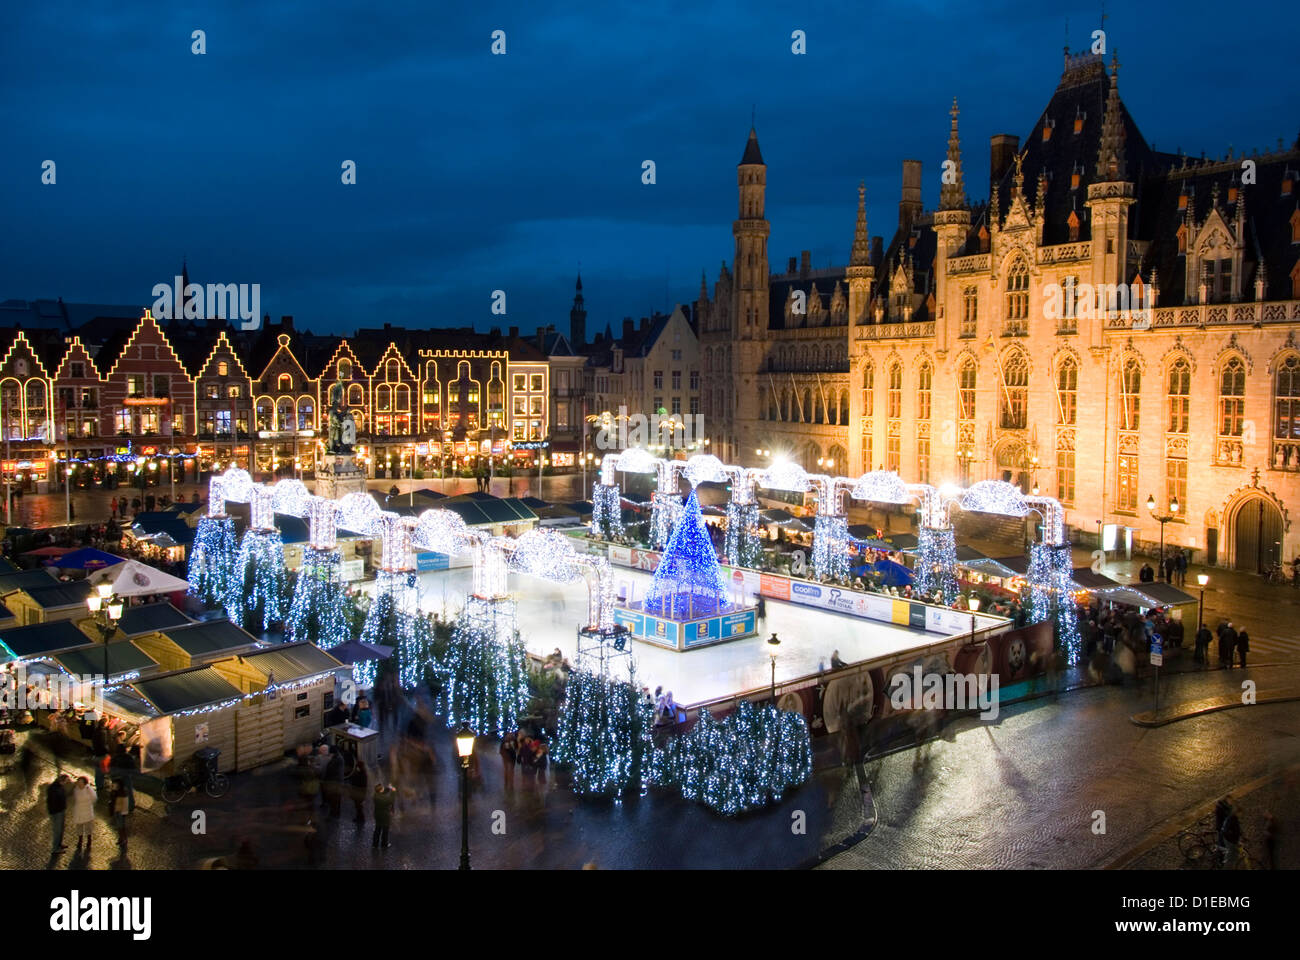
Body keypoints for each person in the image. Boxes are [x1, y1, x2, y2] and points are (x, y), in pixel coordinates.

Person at [71, 776, 96, 855]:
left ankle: (89, 840)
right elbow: (74, 798)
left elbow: (94, 798)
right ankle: (80, 841)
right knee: (79, 827)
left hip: (87, 811)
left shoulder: (89, 789)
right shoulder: (76, 789)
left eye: (81, 782)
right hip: (79, 811)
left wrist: (88, 804)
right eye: (78, 782)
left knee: (88, 827)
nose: (79, 783)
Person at [46, 774, 69, 856]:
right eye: (66, 781)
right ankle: (55, 848)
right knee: (57, 830)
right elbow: (53, 801)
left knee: (61, 828)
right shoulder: (54, 789)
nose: (67, 783)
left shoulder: (59, 786)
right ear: (62, 780)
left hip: (60, 810)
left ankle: (59, 844)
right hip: (57, 812)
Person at [110, 779, 131, 853]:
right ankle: (121, 838)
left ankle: (123, 839)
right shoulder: (115, 792)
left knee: (121, 827)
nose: (113, 786)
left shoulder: (123, 793)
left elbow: (125, 804)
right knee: (119, 827)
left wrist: (123, 813)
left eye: (115, 785)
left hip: (121, 813)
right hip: (117, 811)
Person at [372, 783, 395, 849]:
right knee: (385, 830)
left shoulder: (376, 795)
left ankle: (375, 844)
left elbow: (384, 792)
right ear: (380, 790)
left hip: (377, 815)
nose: (383, 788)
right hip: (385, 816)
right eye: (382, 788)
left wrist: (388, 788)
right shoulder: (384, 799)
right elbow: (391, 800)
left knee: (377, 829)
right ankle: (384, 844)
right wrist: (393, 791)